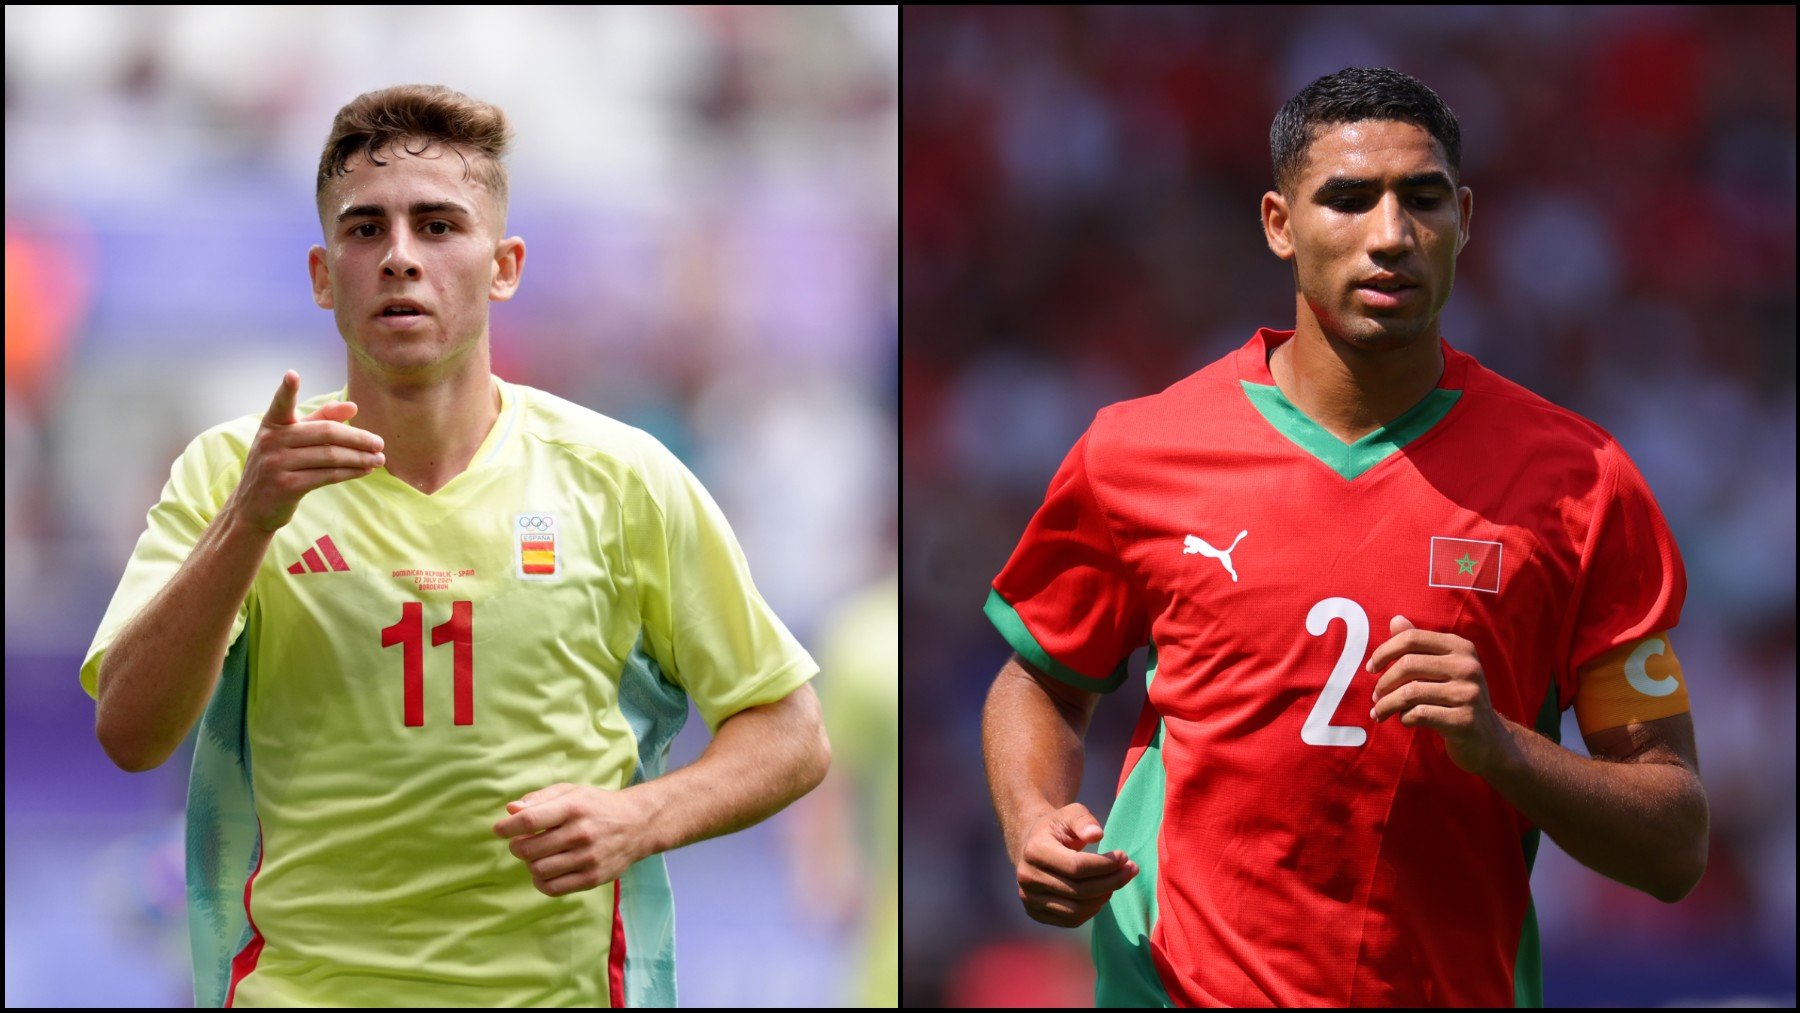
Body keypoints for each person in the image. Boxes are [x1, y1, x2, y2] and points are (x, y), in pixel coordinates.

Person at [82, 84, 830, 1008]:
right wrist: (250, 520)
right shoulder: (235, 471)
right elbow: (129, 732)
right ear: (323, 275)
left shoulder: (621, 476)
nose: (400, 258)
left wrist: (641, 816)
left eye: (439, 227)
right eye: (366, 231)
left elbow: (791, 731)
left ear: (504, 264)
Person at [981, 67, 1707, 1007]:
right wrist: (1034, 820)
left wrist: (1504, 746)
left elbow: (1674, 842)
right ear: (1281, 224)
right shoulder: (1138, 450)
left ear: (1467, 219)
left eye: (1423, 199)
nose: (1391, 236)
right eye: (1350, 200)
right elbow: (1043, 675)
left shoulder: (1582, 483)